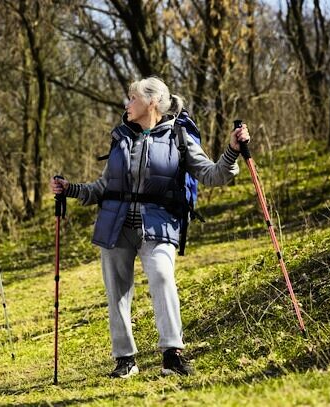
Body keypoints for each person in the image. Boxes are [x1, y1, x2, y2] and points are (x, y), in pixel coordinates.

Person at [49, 77, 250, 378]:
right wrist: (71, 189)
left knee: (162, 277)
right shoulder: (121, 137)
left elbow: (213, 174)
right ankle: (125, 360)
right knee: (116, 293)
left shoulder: (179, 137)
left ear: (151, 102)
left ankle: (172, 354)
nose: (126, 104)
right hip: (115, 226)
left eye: (132, 98)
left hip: (159, 224)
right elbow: (103, 186)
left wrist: (232, 150)